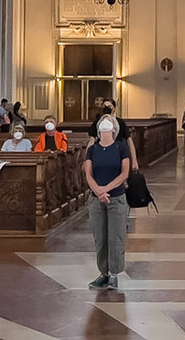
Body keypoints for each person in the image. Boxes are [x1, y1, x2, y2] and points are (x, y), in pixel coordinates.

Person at [84, 115, 132, 291]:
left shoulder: (121, 147)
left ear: (114, 128)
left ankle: (114, 274)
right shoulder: (93, 149)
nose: (105, 123)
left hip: (116, 198)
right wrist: (98, 191)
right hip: (96, 200)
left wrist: (106, 190)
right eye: (103, 121)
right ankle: (103, 273)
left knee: (115, 237)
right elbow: (88, 174)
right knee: (100, 238)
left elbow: (124, 173)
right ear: (99, 128)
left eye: (109, 121)